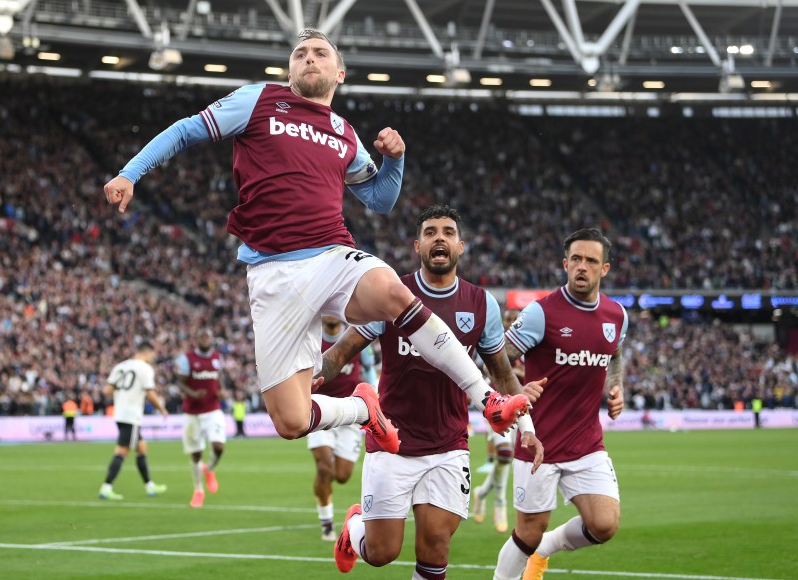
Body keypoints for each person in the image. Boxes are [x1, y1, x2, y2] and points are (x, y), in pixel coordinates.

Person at [103, 28, 529, 462]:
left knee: (395, 293)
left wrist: (395, 160)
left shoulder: (344, 132)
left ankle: (487, 399)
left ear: (338, 73)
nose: (309, 58)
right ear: (289, 70)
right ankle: (364, 409)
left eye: (320, 53)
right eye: (300, 53)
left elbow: (380, 200)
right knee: (290, 420)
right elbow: (185, 131)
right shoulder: (259, 99)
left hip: (330, 255)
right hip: (272, 273)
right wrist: (129, 173)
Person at [318, 204, 545, 580]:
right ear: (417, 246)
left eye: (448, 232)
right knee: (381, 553)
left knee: (435, 546)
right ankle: (353, 529)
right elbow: (344, 351)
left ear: (461, 246)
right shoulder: (393, 294)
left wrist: (526, 425)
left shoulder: (481, 304)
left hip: (448, 446)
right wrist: (316, 376)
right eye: (430, 233)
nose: (439, 239)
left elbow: (500, 372)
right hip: (392, 442)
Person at [479, 227, 627, 580]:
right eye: (575, 259)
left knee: (605, 523)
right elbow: (498, 358)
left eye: (591, 261)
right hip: (537, 443)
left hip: (587, 443)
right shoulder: (542, 314)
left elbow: (615, 356)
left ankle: (545, 552)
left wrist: (616, 390)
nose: (582, 267)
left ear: (605, 268)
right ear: (565, 264)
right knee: (526, 532)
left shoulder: (616, 316)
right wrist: (517, 389)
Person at [308, 316, 376, 541]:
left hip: (350, 412)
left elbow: (368, 370)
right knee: (324, 467)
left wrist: (375, 399)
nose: (331, 315)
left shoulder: (355, 338)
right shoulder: (313, 340)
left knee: (343, 475)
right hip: (319, 409)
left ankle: (344, 512)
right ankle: (326, 523)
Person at [98, 343, 169, 501]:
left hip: (120, 413)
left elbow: (107, 391)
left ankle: (150, 486)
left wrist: (123, 395)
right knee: (122, 452)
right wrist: (162, 409)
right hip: (131, 416)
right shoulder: (145, 368)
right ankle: (106, 487)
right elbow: (150, 393)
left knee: (142, 447)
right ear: (148, 353)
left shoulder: (120, 366)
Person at [473, 309, 521, 533]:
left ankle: (482, 493)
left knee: (508, 458)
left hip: (521, 407)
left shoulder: (528, 345)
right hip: (496, 405)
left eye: (515, 320)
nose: (511, 323)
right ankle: (500, 501)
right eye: (508, 319)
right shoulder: (495, 342)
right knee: (504, 453)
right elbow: (485, 367)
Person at [175, 328, 227, 508]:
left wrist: (221, 391)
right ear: (197, 339)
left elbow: (219, 377)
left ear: (212, 339)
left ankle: (209, 469)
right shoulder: (187, 359)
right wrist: (193, 393)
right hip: (193, 412)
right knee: (196, 454)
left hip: (213, 409)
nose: (205, 339)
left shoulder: (217, 358)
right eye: (202, 336)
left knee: (219, 447)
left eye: (208, 336)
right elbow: (180, 382)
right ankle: (198, 490)